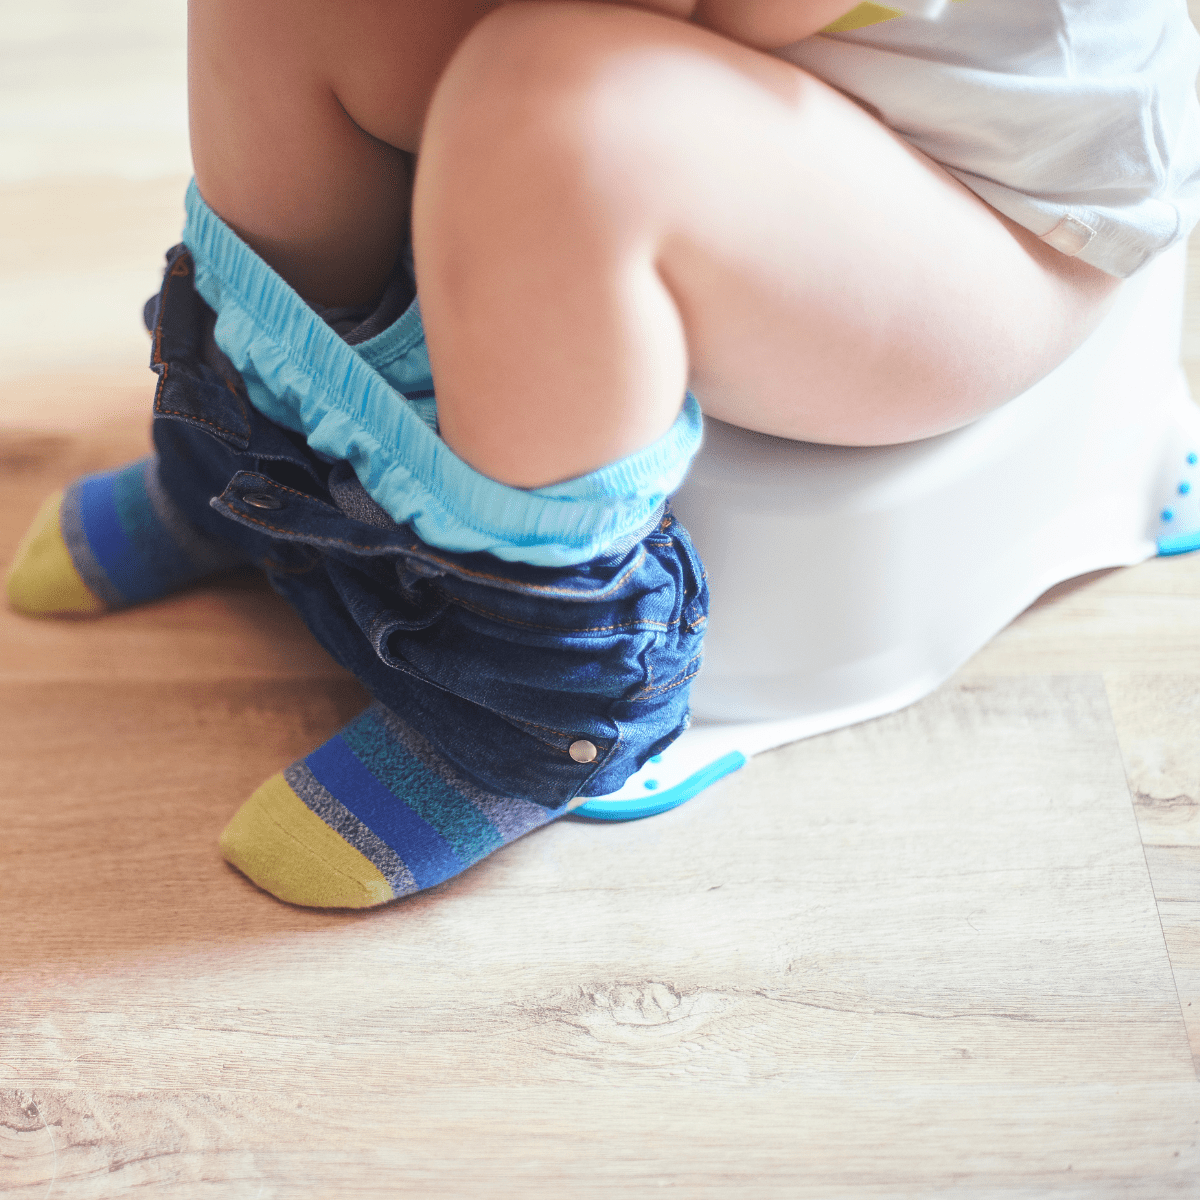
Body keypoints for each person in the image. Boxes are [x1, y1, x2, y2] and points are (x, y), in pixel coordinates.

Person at [7, 0, 1198, 907]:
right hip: (803, 73)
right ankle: (260, 466)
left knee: (561, 117)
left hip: (997, 197)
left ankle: (522, 711)